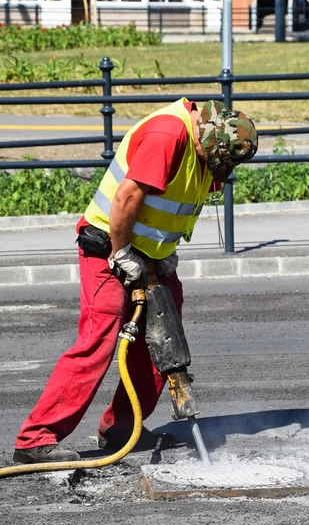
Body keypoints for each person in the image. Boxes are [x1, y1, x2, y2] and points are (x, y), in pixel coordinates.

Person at [13, 99, 258, 463]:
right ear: (208, 141)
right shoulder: (167, 135)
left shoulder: (211, 136)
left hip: (152, 255)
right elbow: (127, 196)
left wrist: (164, 252)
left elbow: (179, 199)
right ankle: (36, 440)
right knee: (99, 338)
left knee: (165, 339)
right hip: (108, 245)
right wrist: (122, 252)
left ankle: (120, 430)